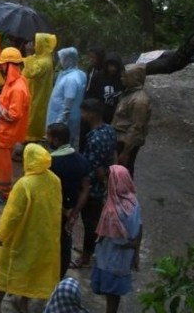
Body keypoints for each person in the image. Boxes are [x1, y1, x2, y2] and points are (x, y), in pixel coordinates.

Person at [0, 143, 61, 313]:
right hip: (44, 236)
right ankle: (23, 302)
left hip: (22, 236)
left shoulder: (25, 184)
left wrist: (1, 234)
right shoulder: (54, 180)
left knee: (8, 267)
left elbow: (12, 214)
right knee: (31, 270)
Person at [91, 165, 143, 313]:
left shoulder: (112, 209)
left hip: (111, 258)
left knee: (111, 295)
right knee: (115, 295)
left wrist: (130, 244)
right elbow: (139, 226)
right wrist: (135, 248)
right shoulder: (133, 201)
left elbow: (116, 238)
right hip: (123, 259)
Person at [73, 99, 117, 269]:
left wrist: (103, 183)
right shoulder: (109, 130)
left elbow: (95, 167)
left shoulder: (95, 139)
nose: (82, 116)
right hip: (101, 182)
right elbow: (114, 155)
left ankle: (86, 257)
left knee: (90, 222)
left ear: (91, 114)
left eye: (83, 112)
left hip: (92, 188)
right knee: (93, 221)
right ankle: (88, 250)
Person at [46, 122, 91, 279]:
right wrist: (74, 213)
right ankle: (59, 276)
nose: (47, 140)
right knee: (65, 244)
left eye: (49, 137)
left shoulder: (50, 163)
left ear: (56, 140)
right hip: (71, 209)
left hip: (52, 211)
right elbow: (86, 189)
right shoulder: (82, 160)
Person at [0, 48, 30, 204]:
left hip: (7, 133)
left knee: (2, 163)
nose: (0, 68)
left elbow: (13, 114)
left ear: (9, 65)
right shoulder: (14, 82)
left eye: (2, 65)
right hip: (2, 131)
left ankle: (4, 192)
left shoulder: (18, 87)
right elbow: (6, 99)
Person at [113, 64, 151, 177]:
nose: (122, 79)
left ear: (135, 79)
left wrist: (126, 152)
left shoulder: (139, 101)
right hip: (119, 139)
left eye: (125, 77)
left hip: (125, 142)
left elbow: (136, 127)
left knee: (124, 172)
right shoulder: (128, 93)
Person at [47, 48, 88, 150]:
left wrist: (59, 123)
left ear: (69, 60)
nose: (61, 61)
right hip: (68, 117)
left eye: (62, 59)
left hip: (62, 120)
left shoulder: (71, 79)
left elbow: (67, 105)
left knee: (60, 146)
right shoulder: (78, 74)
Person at [23, 32, 57, 143]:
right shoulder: (39, 57)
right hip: (31, 92)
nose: (33, 45)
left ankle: (30, 140)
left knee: (33, 118)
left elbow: (31, 72)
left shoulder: (45, 62)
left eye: (36, 43)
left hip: (37, 95)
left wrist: (28, 54)